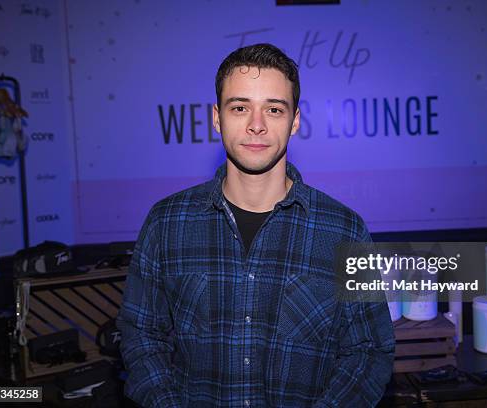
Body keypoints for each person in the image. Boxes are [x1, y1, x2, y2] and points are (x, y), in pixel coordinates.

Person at [117, 43, 395, 407]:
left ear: (295, 121)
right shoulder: (167, 222)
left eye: (274, 109)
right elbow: (141, 337)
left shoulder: (344, 230)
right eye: (240, 107)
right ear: (217, 117)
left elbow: (369, 351)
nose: (257, 125)